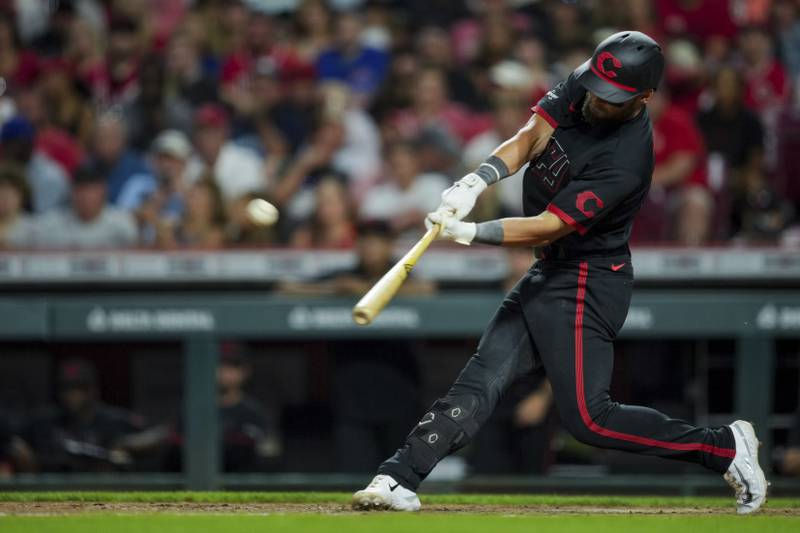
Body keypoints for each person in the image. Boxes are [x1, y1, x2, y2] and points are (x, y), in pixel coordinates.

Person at [352, 31, 767, 515]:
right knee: (480, 379)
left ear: (643, 98)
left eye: (610, 98)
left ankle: (724, 447)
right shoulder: (590, 83)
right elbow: (531, 136)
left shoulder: (626, 160)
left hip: (588, 280)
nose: (594, 100)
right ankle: (399, 477)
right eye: (592, 86)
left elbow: (549, 226)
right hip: (550, 272)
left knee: (590, 420)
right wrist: (478, 178)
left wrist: (470, 233)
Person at [21, 359, 146, 472]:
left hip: (102, 489)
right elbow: (14, 444)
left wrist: (126, 447)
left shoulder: (117, 420)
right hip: (53, 488)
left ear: (93, 390)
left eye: (79, 387)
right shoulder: (42, 422)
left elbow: (147, 441)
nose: (72, 394)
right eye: (66, 388)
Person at [28, 163, 138, 249]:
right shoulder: (49, 224)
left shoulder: (123, 222)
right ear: (71, 193)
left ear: (103, 191)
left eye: (91, 190)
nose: (85, 196)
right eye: (80, 189)